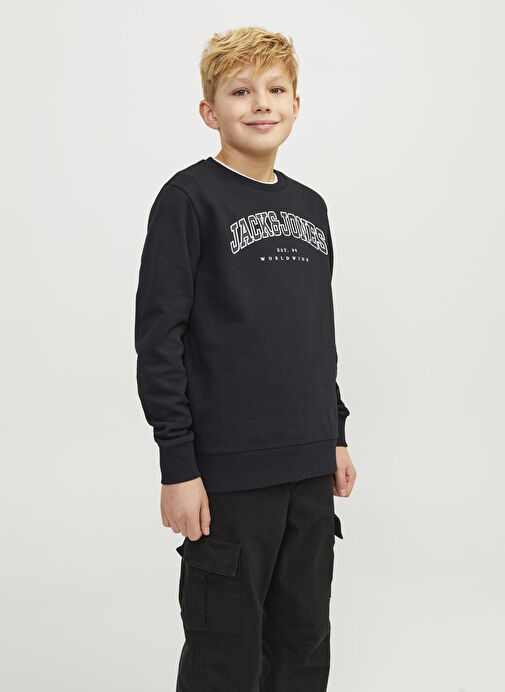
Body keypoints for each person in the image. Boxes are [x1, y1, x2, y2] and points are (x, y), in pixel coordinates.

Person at [134, 25, 357, 692]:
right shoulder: (188, 200)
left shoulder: (311, 207)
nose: (260, 103)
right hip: (227, 477)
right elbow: (159, 340)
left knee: (301, 644)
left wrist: (334, 432)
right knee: (224, 655)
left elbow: (315, 334)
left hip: (308, 469)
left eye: (275, 89)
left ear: (295, 104)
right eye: (240, 91)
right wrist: (178, 465)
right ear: (210, 111)